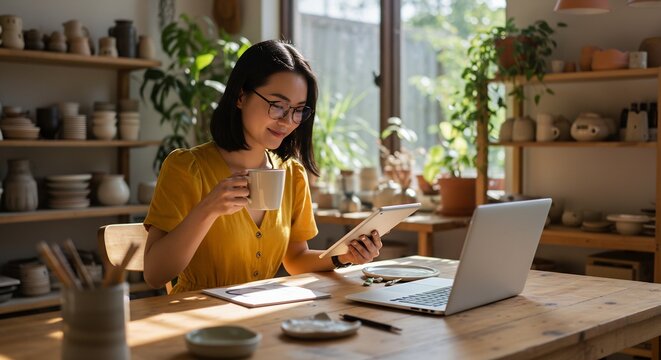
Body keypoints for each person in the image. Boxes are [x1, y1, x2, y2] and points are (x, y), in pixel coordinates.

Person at [143, 40, 383, 293]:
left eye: (298, 110)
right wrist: (207, 210)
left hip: (261, 315)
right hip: (197, 319)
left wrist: (344, 256)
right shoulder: (186, 167)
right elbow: (155, 274)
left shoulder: (292, 173)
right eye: (278, 106)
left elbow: (296, 259)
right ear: (241, 96)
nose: (288, 121)